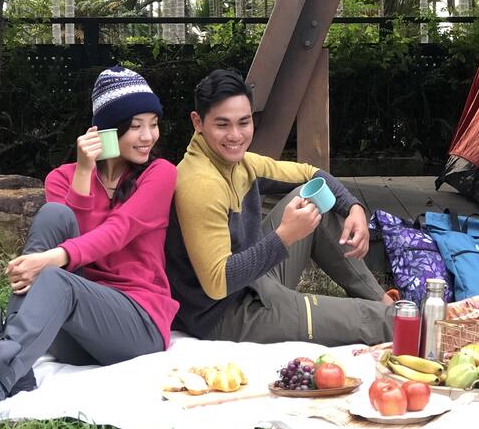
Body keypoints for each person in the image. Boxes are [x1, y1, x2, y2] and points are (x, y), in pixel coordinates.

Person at [0, 66, 178, 429]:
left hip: (136, 323)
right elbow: (75, 234)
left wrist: (52, 260)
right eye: (135, 126)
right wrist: (84, 171)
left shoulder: (159, 173)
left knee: (57, 279)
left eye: (153, 123)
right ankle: (12, 370)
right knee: (54, 214)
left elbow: (117, 231)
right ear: (107, 130)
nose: (148, 136)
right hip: (74, 331)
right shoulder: (62, 177)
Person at [165, 68, 396, 346]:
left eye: (244, 122)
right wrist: (285, 235)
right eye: (222, 124)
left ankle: (385, 302)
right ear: (198, 122)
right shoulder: (199, 183)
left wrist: (354, 208)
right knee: (364, 319)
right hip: (226, 315)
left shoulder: (241, 164)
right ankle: (419, 325)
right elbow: (218, 284)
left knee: (310, 196)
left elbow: (312, 174)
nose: (236, 135)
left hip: (254, 281)